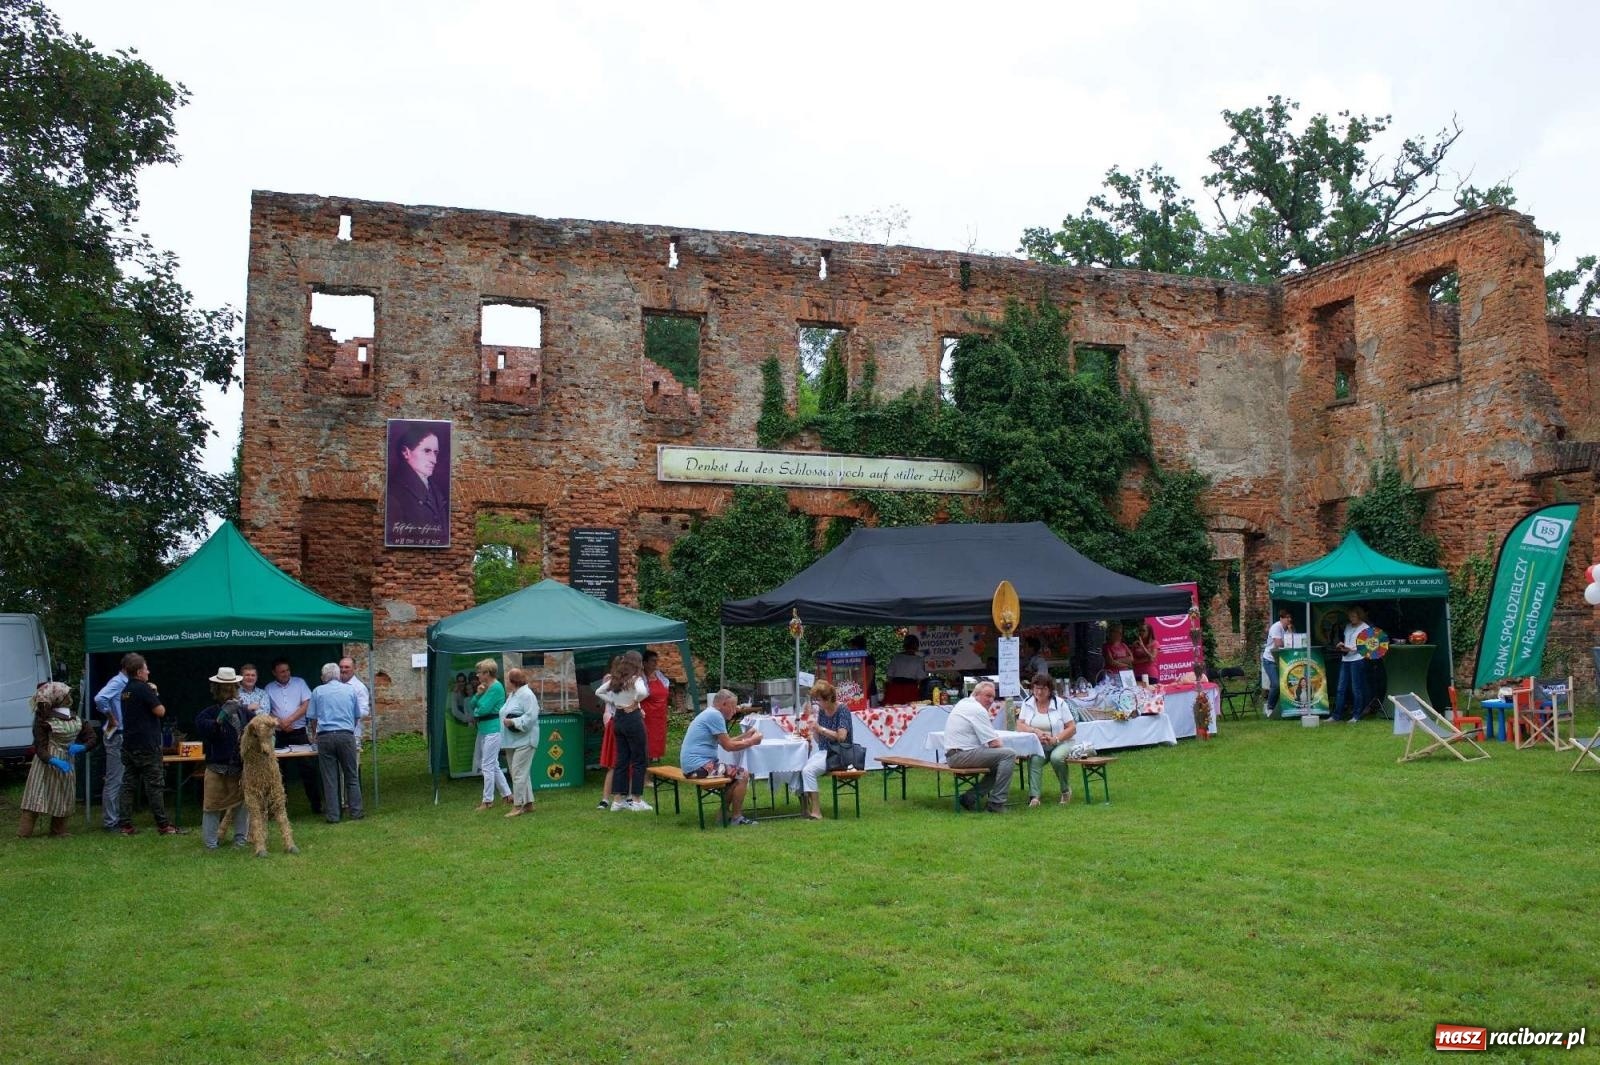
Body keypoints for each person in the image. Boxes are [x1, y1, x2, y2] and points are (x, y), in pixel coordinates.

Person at [18, 681, 94, 838]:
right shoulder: (43, 719)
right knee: (36, 795)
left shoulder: (75, 717)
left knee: (63, 796)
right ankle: (24, 833)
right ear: (58, 698)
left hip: (67, 761)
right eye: (67, 694)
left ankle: (58, 831)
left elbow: (92, 737)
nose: (69, 697)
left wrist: (83, 747)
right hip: (45, 763)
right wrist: (53, 760)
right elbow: (40, 747)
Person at [680, 689, 763, 826]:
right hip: (699, 767)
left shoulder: (710, 713)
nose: (735, 711)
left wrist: (746, 735)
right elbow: (728, 746)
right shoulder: (715, 716)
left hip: (692, 766)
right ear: (724, 704)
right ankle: (737, 817)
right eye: (733, 707)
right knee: (742, 774)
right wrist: (752, 741)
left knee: (733, 777)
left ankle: (722, 816)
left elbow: (725, 741)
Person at [117, 654, 178, 835]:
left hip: (129, 744)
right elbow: (160, 711)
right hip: (147, 745)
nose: (148, 671)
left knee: (128, 784)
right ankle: (163, 825)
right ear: (139, 672)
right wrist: (155, 693)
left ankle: (125, 825)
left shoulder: (125, 690)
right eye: (146, 669)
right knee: (155, 785)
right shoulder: (143, 689)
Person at [195, 667, 252, 849]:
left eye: (232, 687)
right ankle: (211, 843)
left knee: (242, 806)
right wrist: (221, 716)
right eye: (225, 688)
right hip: (217, 768)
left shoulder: (244, 713)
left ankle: (240, 840)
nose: (229, 690)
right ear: (217, 690)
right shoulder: (208, 713)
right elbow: (206, 729)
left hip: (239, 768)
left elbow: (258, 728)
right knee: (211, 806)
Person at [307, 662, 364, 823]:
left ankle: (333, 815)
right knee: (351, 775)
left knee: (330, 778)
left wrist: (315, 734)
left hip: (325, 736)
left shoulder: (317, 691)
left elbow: (313, 718)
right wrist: (348, 730)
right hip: (346, 735)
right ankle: (356, 811)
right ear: (338, 675)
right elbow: (356, 716)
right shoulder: (350, 690)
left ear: (324, 676)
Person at [943, 680, 1012, 813]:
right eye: (987, 696)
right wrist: (1006, 749)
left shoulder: (964, 703)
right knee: (1008, 755)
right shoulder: (977, 709)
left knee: (1001, 762)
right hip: (961, 755)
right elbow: (994, 743)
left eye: (993, 697)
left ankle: (969, 798)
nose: (991, 700)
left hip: (954, 755)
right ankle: (996, 803)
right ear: (976, 694)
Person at [265, 658, 322, 814]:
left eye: (287, 670)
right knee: (278, 772)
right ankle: (280, 808)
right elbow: (266, 710)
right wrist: (280, 723)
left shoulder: (300, 683)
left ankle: (316, 805)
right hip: (279, 734)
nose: (285, 674)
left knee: (308, 769)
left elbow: (307, 704)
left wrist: (289, 720)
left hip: (298, 733)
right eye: (282, 671)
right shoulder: (269, 688)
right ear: (274, 673)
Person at [598, 651, 650, 811]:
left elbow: (598, 692)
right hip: (632, 718)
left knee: (621, 760)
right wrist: (635, 702)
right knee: (639, 759)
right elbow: (643, 692)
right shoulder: (635, 679)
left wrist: (614, 701)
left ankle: (617, 801)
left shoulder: (616, 679)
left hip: (618, 718)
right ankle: (636, 800)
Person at [1016, 674, 1077, 806]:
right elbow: (1020, 725)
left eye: (1043, 688)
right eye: (1036, 688)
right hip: (1039, 744)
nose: (1039, 692)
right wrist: (1034, 731)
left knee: (1056, 758)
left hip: (1061, 742)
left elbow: (1072, 728)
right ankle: (1035, 797)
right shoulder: (1027, 703)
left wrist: (1055, 739)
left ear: (1050, 689)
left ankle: (1066, 790)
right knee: (1035, 760)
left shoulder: (1060, 703)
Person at [798, 680, 852, 821]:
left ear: (828, 699)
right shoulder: (822, 711)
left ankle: (816, 812)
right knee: (800, 767)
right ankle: (807, 807)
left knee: (808, 771)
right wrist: (814, 730)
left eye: (819, 700)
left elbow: (841, 737)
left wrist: (820, 728)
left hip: (840, 753)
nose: (818, 703)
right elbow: (820, 741)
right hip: (825, 752)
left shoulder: (842, 710)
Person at [93, 653, 135, 832]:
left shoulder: (125, 683)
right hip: (116, 733)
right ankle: (111, 821)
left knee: (120, 778)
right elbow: (99, 698)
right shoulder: (118, 682)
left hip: (121, 733)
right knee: (114, 779)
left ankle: (117, 817)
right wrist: (111, 717)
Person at [387, 424, 448, 538]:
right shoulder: (394, 494)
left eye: (435, 453)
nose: (434, 460)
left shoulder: (435, 490)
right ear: (406, 452)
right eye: (427, 451)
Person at [469, 659, 512, 810]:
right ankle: (507, 795)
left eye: (479, 672)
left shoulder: (496, 687)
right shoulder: (485, 688)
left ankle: (487, 800)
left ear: (487, 673)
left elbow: (482, 710)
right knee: (492, 764)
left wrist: (478, 706)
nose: (477, 675)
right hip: (485, 729)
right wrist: (478, 694)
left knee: (487, 765)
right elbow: (472, 705)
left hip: (493, 730)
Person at [500, 667, 541, 817]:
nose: (506, 681)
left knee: (518, 772)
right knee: (519, 772)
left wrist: (513, 722)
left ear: (512, 681)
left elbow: (531, 717)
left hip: (525, 740)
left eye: (508, 679)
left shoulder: (527, 695)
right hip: (512, 741)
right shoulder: (512, 695)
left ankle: (517, 805)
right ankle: (528, 803)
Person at [1333, 605, 1369, 722]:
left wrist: (1352, 649)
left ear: (1359, 616)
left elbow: (1368, 646)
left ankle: (1356, 715)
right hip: (1346, 659)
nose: (1351, 618)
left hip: (1357, 659)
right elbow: (1347, 641)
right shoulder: (1348, 626)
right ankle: (1336, 715)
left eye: (1354, 616)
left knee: (1356, 688)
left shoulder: (1365, 628)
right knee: (1340, 688)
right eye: (1350, 616)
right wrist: (1342, 645)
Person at [1260, 608, 1294, 715]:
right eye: (1287, 617)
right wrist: (1288, 641)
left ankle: (1281, 707)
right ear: (1281, 618)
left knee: (1287, 683)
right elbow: (1279, 644)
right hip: (1270, 660)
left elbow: (1294, 641)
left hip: (1282, 660)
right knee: (1275, 684)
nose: (1289, 619)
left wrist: (1290, 632)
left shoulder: (1288, 628)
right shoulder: (1276, 627)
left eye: (1290, 617)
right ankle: (1269, 708)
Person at [641, 649, 670, 762]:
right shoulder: (641, 677)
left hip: (660, 712)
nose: (655, 663)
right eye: (653, 661)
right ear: (645, 663)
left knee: (658, 735)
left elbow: (666, 686)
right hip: (647, 713)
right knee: (648, 736)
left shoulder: (658, 674)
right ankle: (647, 756)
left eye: (656, 661)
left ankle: (656, 756)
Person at [338, 656, 371, 736]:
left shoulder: (359, 687)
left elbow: (364, 711)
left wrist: (346, 713)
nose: (343, 670)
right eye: (341, 667)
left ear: (354, 668)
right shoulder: (334, 684)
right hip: (333, 732)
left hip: (352, 732)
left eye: (347, 667)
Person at [849, 633, 877, 705]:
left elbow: (869, 677)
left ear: (856, 647)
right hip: (858, 693)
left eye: (852, 647)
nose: (851, 649)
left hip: (869, 693)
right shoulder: (855, 659)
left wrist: (861, 693)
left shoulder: (868, 659)